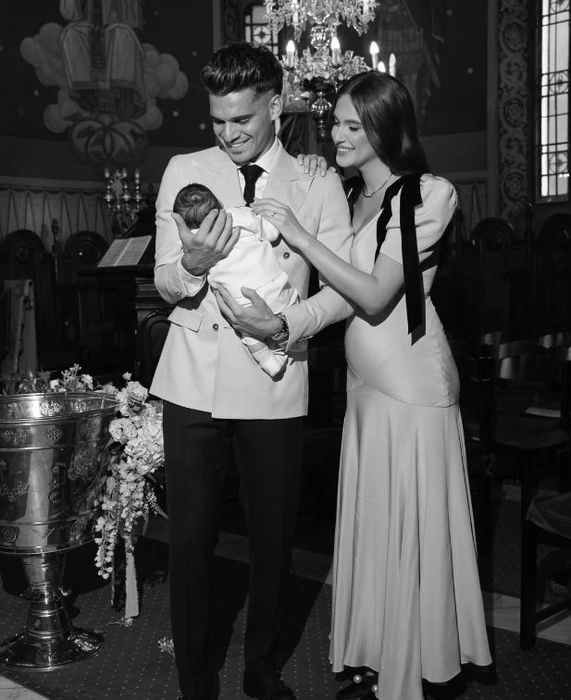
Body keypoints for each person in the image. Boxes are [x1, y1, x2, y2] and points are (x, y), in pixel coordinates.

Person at [251, 70, 493, 700]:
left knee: (413, 524)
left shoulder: (429, 195)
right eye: (334, 122)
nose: (337, 135)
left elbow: (378, 294)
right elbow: (337, 297)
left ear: (387, 129)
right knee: (376, 522)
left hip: (413, 386)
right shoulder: (350, 196)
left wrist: (301, 234)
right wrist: (282, 323)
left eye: (353, 126)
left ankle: (419, 661)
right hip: (363, 386)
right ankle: (380, 655)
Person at [150, 41, 353, 700]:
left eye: (241, 119)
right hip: (193, 381)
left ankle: (261, 669)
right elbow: (163, 280)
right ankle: (194, 678)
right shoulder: (183, 170)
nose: (229, 134)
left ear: (274, 106)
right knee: (190, 541)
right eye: (217, 120)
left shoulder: (316, 181)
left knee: (272, 540)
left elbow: (342, 289)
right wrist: (192, 266)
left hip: (275, 377)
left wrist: (286, 326)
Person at [172, 182, 299, 377]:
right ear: (220, 203)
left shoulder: (190, 240)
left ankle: (268, 361)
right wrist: (263, 215)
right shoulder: (238, 215)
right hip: (273, 285)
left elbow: (180, 257)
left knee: (247, 332)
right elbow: (272, 233)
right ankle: (285, 349)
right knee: (290, 308)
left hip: (238, 299)